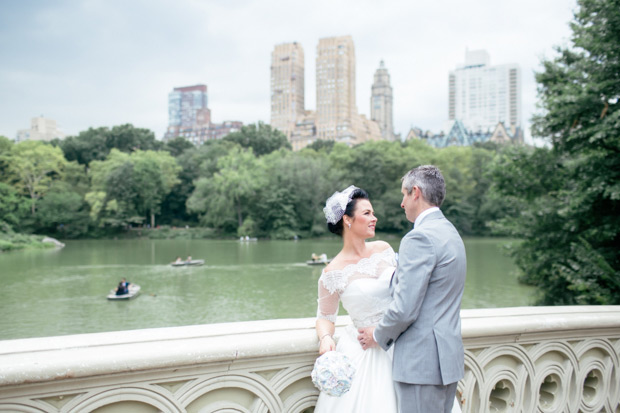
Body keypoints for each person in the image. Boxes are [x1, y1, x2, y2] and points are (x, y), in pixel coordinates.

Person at [357, 165, 466, 413]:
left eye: (404, 195)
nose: (402, 203)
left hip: (421, 364)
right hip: (446, 360)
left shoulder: (420, 238)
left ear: (415, 192)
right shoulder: (451, 232)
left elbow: (405, 308)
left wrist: (377, 335)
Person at [314, 185, 398, 411]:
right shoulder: (333, 272)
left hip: (400, 344)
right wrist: (325, 338)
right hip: (364, 352)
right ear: (347, 220)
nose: (374, 218)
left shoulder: (384, 249)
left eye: (373, 213)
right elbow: (325, 316)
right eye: (367, 213)